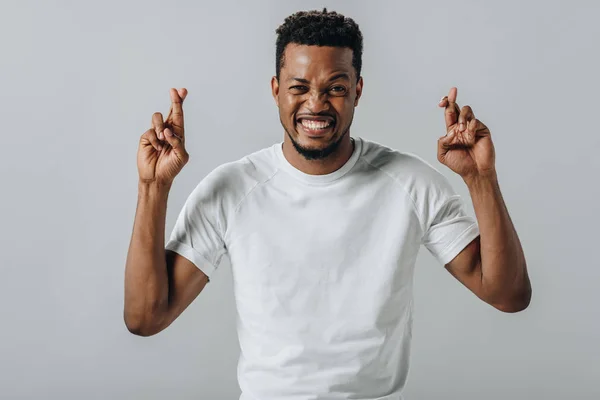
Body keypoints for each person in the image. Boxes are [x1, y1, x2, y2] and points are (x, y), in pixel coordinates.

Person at [124, 8, 532, 400]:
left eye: (335, 87)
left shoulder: (410, 182)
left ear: (357, 89)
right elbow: (145, 318)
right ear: (276, 90)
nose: (315, 104)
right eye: (299, 87)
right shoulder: (232, 188)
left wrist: (481, 179)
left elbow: (507, 295)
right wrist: (152, 188)